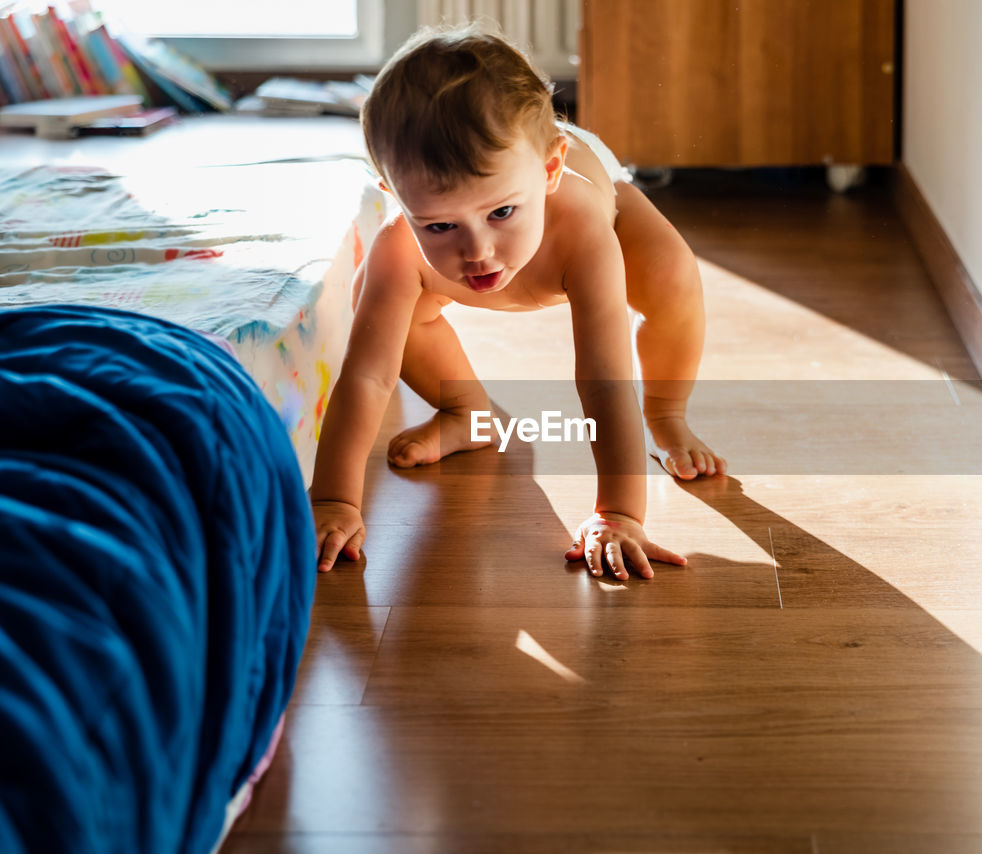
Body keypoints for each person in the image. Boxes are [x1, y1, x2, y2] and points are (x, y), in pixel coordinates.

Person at [310, 24, 725, 581]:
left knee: (672, 276)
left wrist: (619, 513)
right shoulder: (399, 246)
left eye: (501, 213)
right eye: (437, 225)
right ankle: (469, 414)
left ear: (549, 170)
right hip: (503, 204)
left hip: (599, 202)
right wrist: (333, 500)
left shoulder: (581, 226)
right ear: (397, 199)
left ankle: (667, 415)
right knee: (378, 303)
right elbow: (366, 378)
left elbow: (603, 377)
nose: (477, 252)